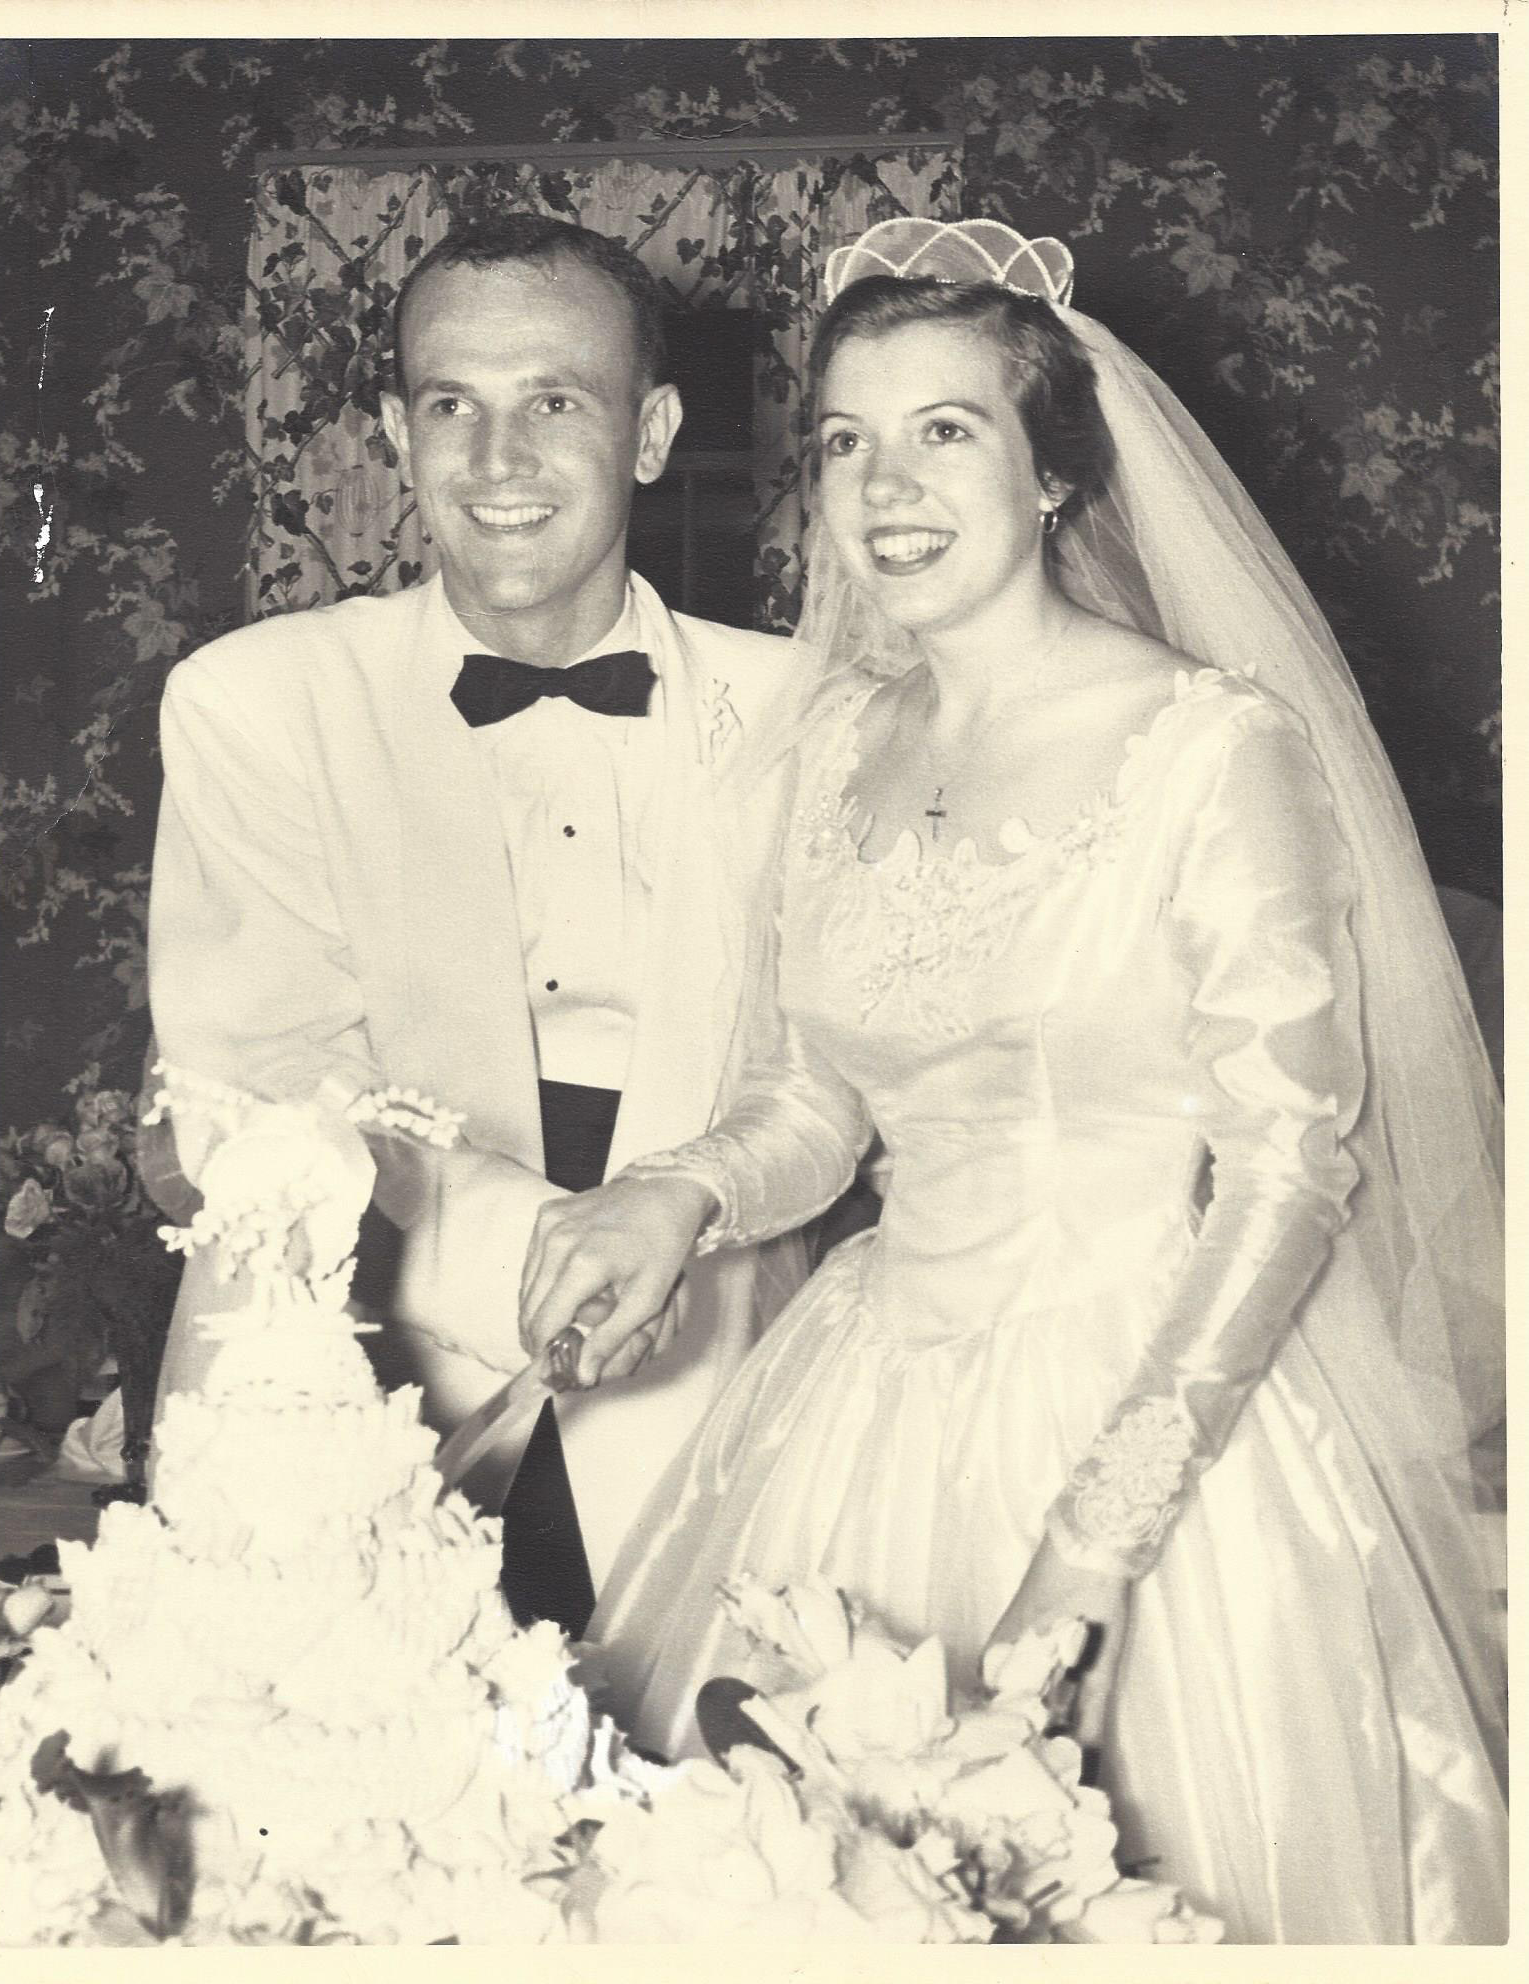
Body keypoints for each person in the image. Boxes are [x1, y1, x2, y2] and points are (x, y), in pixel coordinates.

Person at [516, 219, 1507, 1942]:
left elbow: (1290, 1169)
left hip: (1158, 1415)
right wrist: (676, 1193)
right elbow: (821, 1099)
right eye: (844, 441)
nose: (882, 485)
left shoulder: (1209, 745)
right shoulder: (836, 744)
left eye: (945, 431)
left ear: (1055, 471)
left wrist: (1102, 1531)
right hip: (868, 1395)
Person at [144, 214, 810, 1639]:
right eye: (454, 405)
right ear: (395, 430)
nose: (498, 462)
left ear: (653, 432)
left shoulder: (816, 712)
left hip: (730, 1372)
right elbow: (262, 1081)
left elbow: (843, 1071)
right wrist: (557, 1246)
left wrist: (672, 1220)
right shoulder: (255, 701)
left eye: (555, 402)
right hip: (380, 1371)